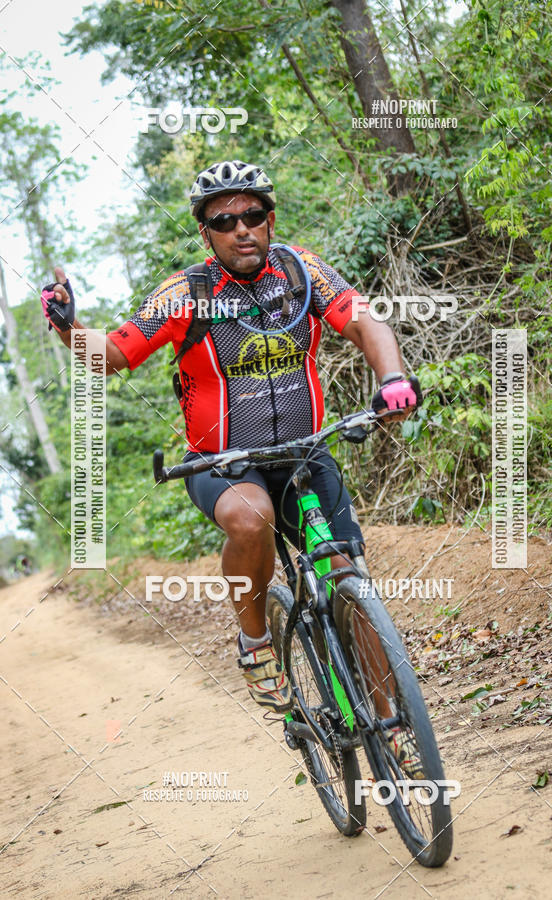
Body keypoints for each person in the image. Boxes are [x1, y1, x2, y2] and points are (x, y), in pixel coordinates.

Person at [40, 160, 420, 731]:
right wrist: (70, 329)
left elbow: (367, 323)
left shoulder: (302, 271)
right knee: (252, 518)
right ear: (205, 232)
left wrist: (391, 379)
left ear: (269, 220)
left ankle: (396, 732)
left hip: (303, 452)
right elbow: (114, 354)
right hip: (223, 463)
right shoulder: (184, 292)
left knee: (346, 580)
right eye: (224, 220)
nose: (241, 228)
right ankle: (255, 640)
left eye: (253, 214)